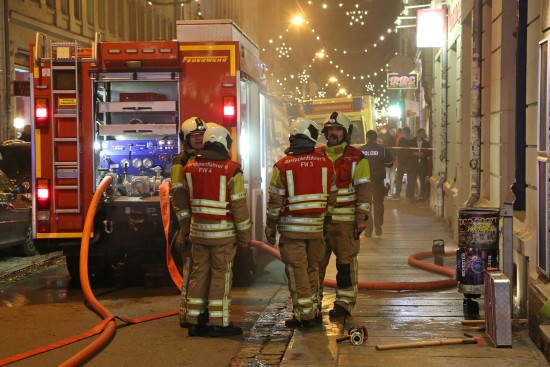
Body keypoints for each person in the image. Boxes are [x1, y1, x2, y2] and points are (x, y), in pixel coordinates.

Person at [180, 123, 252, 337]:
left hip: (198, 233)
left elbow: (182, 199)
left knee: (198, 273)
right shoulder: (231, 170)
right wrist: (245, 237)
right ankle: (219, 323)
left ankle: (194, 320)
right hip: (222, 235)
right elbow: (239, 206)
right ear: (223, 143)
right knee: (221, 275)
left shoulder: (189, 167)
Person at [265, 118, 337, 328]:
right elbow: (332, 197)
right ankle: (313, 311)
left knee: (297, 273)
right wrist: (325, 223)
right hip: (316, 230)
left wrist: (270, 226)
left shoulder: (282, 165)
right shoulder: (326, 163)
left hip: (292, 232)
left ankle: (304, 316)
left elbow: (275, 200)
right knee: (312, 268)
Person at [317, 111, 372, 317]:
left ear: (346, 133)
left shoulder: (358, 159)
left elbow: (364, 192)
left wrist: (361, 219)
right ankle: (312, 305)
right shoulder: (318, 155)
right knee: (314, 266)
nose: (333, 133)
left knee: (345, 266)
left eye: (338, 129)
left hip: (346, 223)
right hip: (320, 223)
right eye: (330, 129)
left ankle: (344, 303)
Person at [171, 116, 206, 328]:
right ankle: (186, 314)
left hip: (200, 223)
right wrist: (185, 230)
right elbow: (178, 195)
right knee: (191, 271)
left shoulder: (203, 157)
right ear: (185, 139)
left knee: (197, 271)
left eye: (202, 135)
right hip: (189, 225)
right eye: (195, 136)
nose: (199, 139)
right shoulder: (181, 161)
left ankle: (193, 312)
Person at [359, 130, 394, 237]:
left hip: (364, 183)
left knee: (366, 207)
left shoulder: (360, 150)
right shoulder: (382, 149)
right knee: (378, 204)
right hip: (378, 182)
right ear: (376, 138)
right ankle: (378, 224)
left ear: (367, 138)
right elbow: (390, 163)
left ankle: (368, 230)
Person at [407, 128, 432, 201]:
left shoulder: (426, 143)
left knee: (422, 181)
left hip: (423, 165)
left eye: (424, 133)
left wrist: (423, 154)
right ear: (418, 134)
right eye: (422, 133)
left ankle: (422, 196)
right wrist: (413, 153)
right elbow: (407, 152)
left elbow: (429, 152)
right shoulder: (411, 142)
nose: (424, 135)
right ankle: (410, 196)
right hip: (413, 164)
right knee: (412, 181)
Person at [394, 126, 415, 200]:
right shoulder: (414, 139)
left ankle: (397, 194)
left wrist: (398, 158)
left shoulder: (401, 139)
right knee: (410, 180)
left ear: (405, 132)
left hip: (402, 162)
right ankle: (409, 195)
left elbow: (398, 151)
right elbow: (414, 151)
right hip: (411, 162)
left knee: (399, 179)